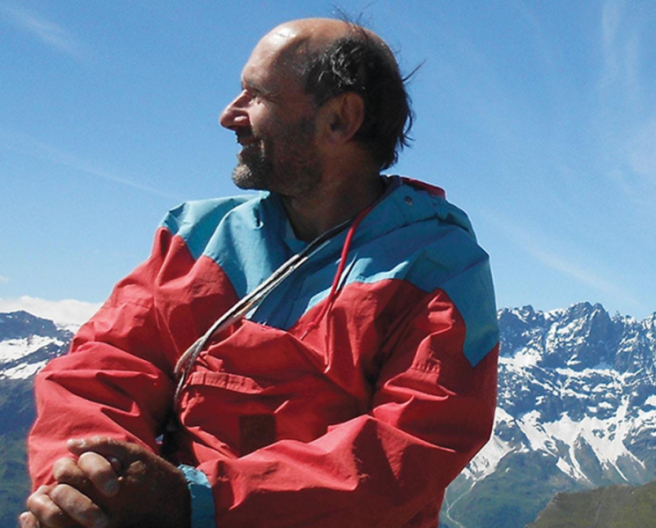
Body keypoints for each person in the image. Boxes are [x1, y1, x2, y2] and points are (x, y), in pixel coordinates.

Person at [22, 17, 499, 528]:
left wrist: (194, 503)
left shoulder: (438, 268)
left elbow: (407, 452)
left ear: (340, 119)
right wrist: (86, 483)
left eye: (256, 94)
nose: (229, 114)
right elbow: (100, 369)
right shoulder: (196, 237)